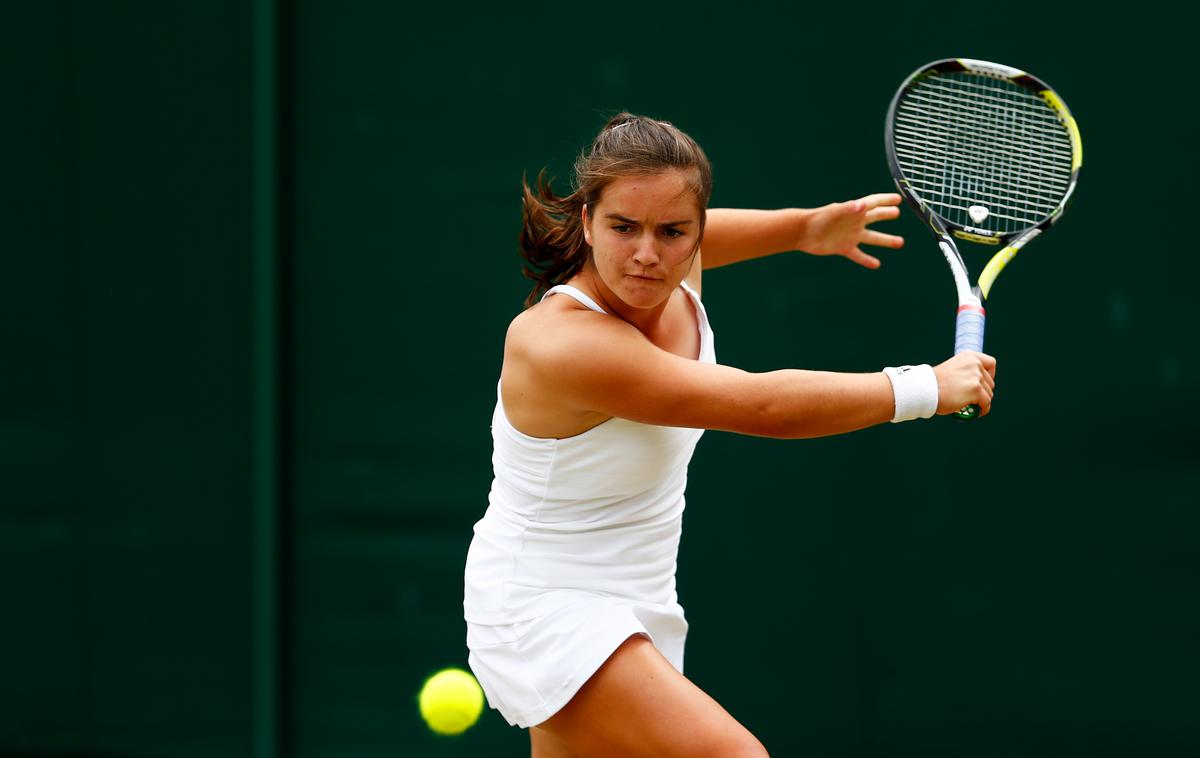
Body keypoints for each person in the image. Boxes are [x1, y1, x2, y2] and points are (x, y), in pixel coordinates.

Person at [463, 113, 996, 757]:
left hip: (638, 598)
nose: (645, 253)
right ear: (586, 223)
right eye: (622, 227)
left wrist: (804, 228)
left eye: (672, 232)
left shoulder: (670, 268)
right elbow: (762, 406)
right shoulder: (564, 344)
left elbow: (700, 236)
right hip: (543, 608)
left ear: (696, 235)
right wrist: (927, 388)